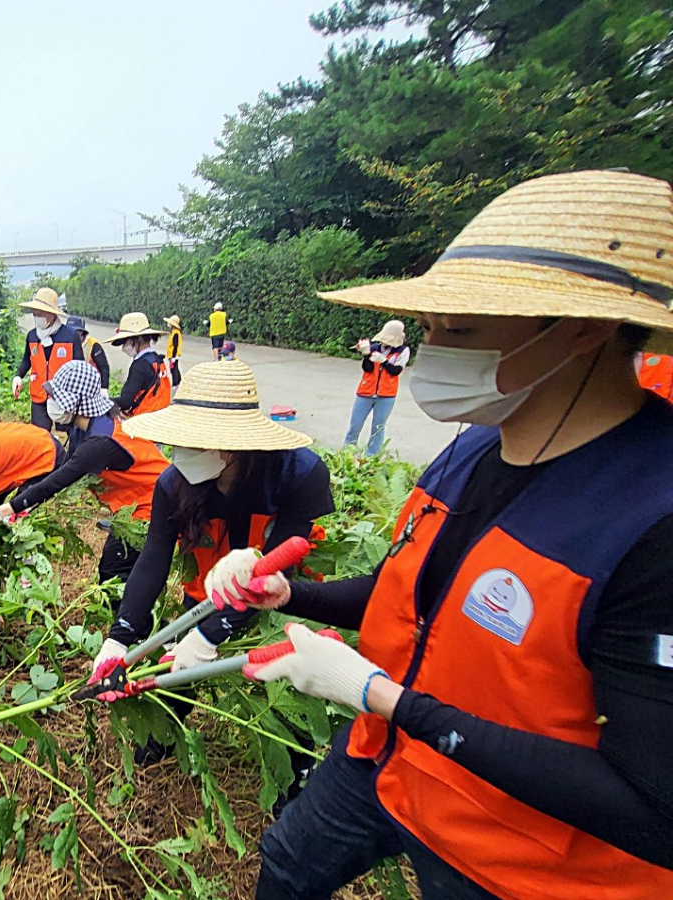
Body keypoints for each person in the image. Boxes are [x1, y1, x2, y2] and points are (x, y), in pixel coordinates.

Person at [209, 170, 673, 899]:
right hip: (385, 759)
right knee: (288, 866)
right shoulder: (472, 449)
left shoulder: (655, 522)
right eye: (427, 329)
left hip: (521, 856)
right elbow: (411, 599)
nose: (434, 352)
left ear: (583, 331)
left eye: (457, 331)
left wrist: (388, 699)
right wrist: (288, 593)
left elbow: (651, 808)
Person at [89, 360, 335, 765]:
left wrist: (208, 637)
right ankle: (164, 732)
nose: (178, 453)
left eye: (191, 442)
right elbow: (153, 558)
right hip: (208, 589)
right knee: (177, 664)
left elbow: (282, 566)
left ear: (230, 446)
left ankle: (298, 767)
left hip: (281, 598)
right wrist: (121, 636)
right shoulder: (174, 483)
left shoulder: (299, 474)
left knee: (286, 685)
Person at [0, 361, 168, 584]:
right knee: (118, 571)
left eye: (56, 397)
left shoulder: (99, 443)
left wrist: (1, 512)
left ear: (76, 402)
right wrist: (22, 508)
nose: (51, 402)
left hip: (155, 504)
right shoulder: (87, 428)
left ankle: (132, 617)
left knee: (114, 571)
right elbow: (61, 474)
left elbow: (57, 482)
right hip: (137, 501)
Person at [14, 287, 83, 430]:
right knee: (39, 436)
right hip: (39, 396)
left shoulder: (70, 336)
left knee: (69, 437)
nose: (37, 316)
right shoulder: (32, 336)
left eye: (40, 313)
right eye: (35, 313)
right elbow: (27, 360)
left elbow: (80, 369)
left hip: (63, 398)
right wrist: (18, 376)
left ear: (51, 314)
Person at [342, 319, 411, 455]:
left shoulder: (402, 351)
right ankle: (346, 454)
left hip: (386, 395)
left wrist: (384, 361)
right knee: (355, 426)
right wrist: (366, 354)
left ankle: (371, 457)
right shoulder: (374, 347)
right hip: (365, 392)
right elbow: (367, 369)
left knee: (378, 428)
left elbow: (395, 371)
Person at [108, 312, 173, 416]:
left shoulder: (139, 366)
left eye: (125, 341)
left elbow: (126, 401)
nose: (124, 346)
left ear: (138, 339)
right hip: (162, 415)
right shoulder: (157, 359)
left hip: (144, 419)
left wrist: (105, 401)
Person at [68, 315, 110, 394]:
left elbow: (104, 367)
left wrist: (104, 388)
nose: (72, 334)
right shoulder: (65, 343)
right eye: (70, 331)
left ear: (82, 333)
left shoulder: (93, 345)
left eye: (75, 332)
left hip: (92, 387)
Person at [164, 315, 184, 389]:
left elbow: (175, 345)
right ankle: (178, 382)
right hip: (173, 354)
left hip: (174, 354)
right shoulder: (174, 332)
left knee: (173, 369)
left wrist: (173, 357)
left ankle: (175, 384)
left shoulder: (176, 333)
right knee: (175, 368)